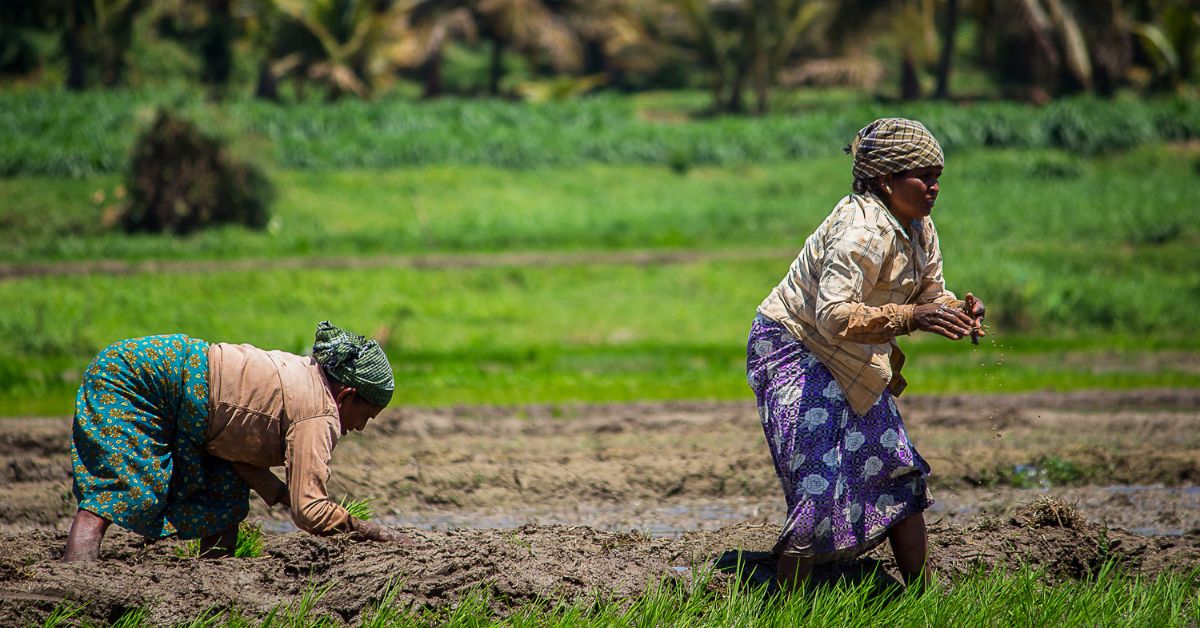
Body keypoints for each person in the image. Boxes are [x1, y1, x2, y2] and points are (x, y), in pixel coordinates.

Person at [747, 118, 985, 589]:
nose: (934, 187)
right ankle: (787, 604)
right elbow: (833, 315)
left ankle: (921, 596)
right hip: (794, 346)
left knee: (897, 463)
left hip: (851, 351)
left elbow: (929, 295)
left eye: (938, 175)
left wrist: (956, 309)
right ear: (885, 180)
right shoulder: (860, 230)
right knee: (818, 477)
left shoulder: (918, 226)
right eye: (923, 176)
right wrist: (913, 318)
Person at [63, 321, 411, 561]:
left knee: (223, 498)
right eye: (365, 415)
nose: (361, 427)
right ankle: (77, 580)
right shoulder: (319, 412)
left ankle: (215, 582)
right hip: (139, 379)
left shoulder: (308, 377)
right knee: (123, 489)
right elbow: (310, 513)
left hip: (180, 392)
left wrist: (278, 493)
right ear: (347, 395)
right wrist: (371, 531)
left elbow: (239, 449)